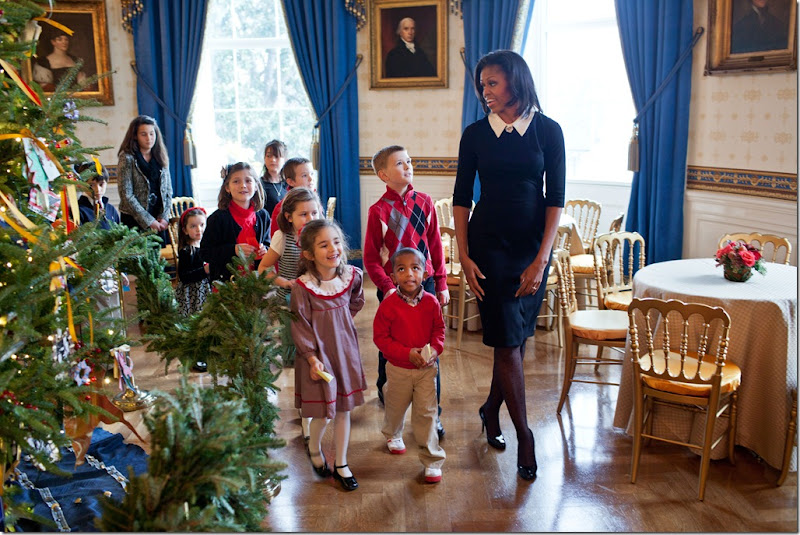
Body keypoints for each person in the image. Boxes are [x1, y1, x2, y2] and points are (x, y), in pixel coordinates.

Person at [453, 50, 565, 481]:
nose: (485, 93)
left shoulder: (547, 131)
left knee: (515, 341)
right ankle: (525, 434)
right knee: (506, 342)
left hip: (533, 248)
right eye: (482, 85)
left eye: (492, 83)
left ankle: (490, 410)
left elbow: (555, 198)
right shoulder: (475, 134)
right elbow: (462, 198)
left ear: (515, 82)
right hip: (488, 246)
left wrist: (541, 259)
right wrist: (463, 254)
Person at [363, 144, 449, 440]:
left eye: (409, 161)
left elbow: (435, 246)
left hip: (423, 286)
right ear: (384, 174)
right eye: (400, 163)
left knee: (428, 351)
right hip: (392, 290)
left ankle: (432, 412)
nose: (408, 166)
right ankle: (388, 392)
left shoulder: (425, 203)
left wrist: (441, 283)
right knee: (390, 341)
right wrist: (387, 287)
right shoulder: (378, 211)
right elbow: (371, 258)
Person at [291, 219, 366, 491]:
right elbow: (299, 324)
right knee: (324, 412)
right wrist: (312, 358)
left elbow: (356, 300)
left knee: (344, 409)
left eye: (336, 242)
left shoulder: (351, 277)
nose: (333, 249)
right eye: (324, 245)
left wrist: (343, 323)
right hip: (318, 358)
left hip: (344, 352)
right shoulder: (303, 287)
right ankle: (313, 447)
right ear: (310, 254)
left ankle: (342, 462)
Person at [373, 247, 446, 484]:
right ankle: (392, 433)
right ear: (393, 277)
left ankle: (431, 460)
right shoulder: (388, 305)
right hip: (398, 369)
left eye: (415, 268)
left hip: (426, 370)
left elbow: (439, 331)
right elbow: (380, 338)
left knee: (427, 413)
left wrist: (435, 349)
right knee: (395, 405)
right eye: (401, 269)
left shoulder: (432, 303)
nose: (409, 274)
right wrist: (406, 353)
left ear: (424, 273)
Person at [200, 162, 270, 284]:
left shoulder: (263, 216)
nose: (243, 185)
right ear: (227, 188)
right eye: (236, 181)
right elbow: (205, 253)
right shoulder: (217, 219)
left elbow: (268, 244)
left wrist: (266, 249)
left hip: (257, 284)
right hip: (227, 286)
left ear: (256, 186)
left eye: (248, 181)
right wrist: (233, 250)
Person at [76, 161, 125, 324]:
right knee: (98, 317)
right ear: (83, 185)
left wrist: (121, 268)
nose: (97, 190)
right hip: (91, 271)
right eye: (91, 185)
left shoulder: (111, 210)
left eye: (101, 184)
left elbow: (119, 241)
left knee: (115, 311)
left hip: (112, 270)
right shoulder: (78, 211)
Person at [116, 115, 173, 246]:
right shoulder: (127, 157)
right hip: (134, 219)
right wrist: (148, 221)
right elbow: (126, 194)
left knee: (158, 262)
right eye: (144, 134)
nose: (149, 138)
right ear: (135, 136)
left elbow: (168, 191)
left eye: (152, 134)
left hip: (157, 218)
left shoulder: (161, 156)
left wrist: (164, 217)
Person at [175, 206, 212, 372]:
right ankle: (197, 357)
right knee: (196, 325)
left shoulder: (207, 248)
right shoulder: (186, 251)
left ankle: (209, 354)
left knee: (207, 323)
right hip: (192, 294)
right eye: (193, 226)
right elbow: (184, 276)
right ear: (185, 230)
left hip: (206, 292)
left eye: (202, 225)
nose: (199, 229)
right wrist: (203, 271)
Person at [269, 157, 317, 238]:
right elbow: (275, 239)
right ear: (291, 182)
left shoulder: (316, 201)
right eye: (304, 175)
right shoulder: (281, 208)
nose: (311, 179)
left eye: (312, 174)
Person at [260, 139, 288, 215]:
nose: (272, 160)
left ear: (285, 159)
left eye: (277, 156)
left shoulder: (290, 183)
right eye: (268, 156)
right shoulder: (258, 185)